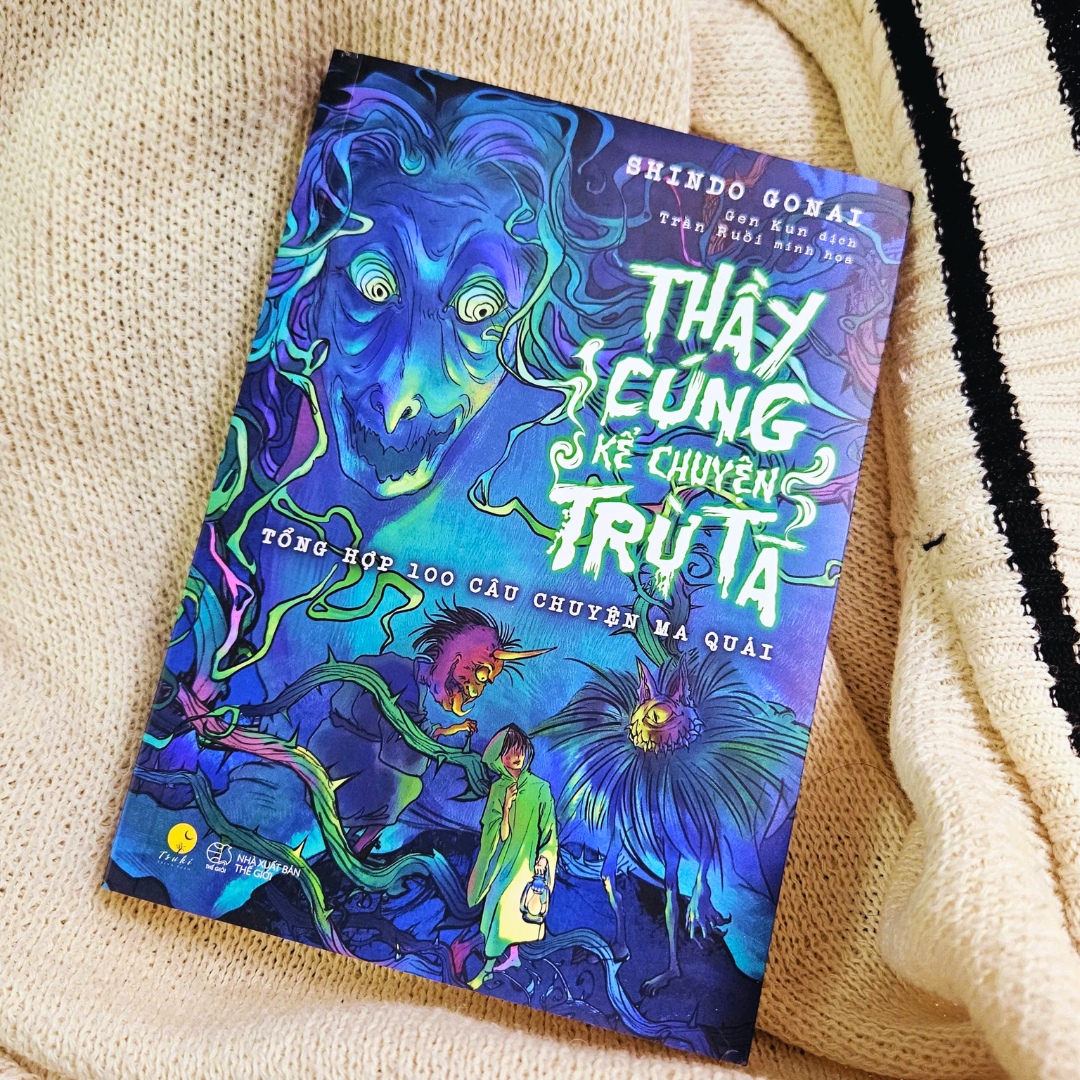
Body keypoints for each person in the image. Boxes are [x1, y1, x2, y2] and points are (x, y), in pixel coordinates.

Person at [466, 725, 558, 989]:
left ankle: (487, 969)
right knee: (498, 911)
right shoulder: (498, 789)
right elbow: (497, 833)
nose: (515, 757)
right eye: (508, 752)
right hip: (502, 862)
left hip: (526, 864)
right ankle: (505, 959)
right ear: (500, 757)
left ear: (527, 752)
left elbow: (549, 830)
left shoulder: (540, 788)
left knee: (510, 912)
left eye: (519, 750)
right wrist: (506, 806)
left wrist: (544, 857)